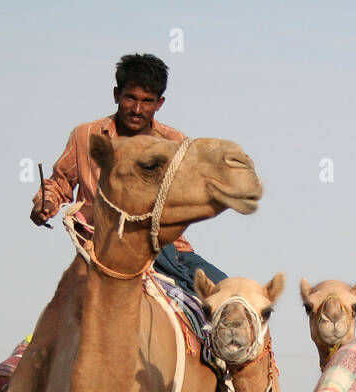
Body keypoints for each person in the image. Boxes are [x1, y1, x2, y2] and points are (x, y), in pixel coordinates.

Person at [29, 53, 225, 292]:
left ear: (159, 103)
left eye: (147, 101)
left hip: (168, 251)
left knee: (231, 295)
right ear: (116, 95)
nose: (137, 109)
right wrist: (45, 204)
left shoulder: (175, 143)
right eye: (130, 98)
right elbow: (59, 185)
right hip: (102, 248)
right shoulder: (85, 136)